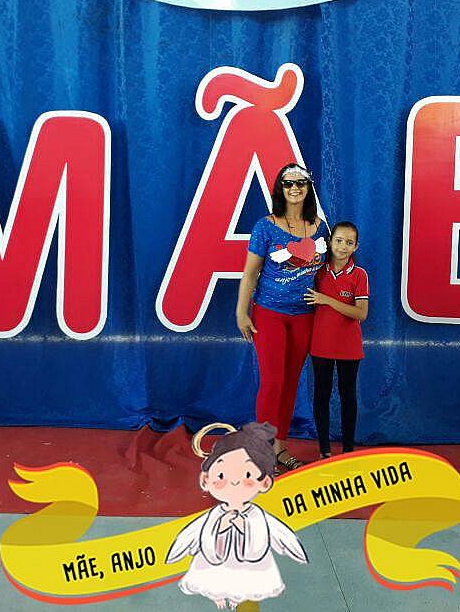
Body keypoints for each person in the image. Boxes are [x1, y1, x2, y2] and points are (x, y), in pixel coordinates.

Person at [235, 163, 329, 471]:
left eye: (300, 183)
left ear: (308, 188)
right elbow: (250, 273)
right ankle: (261, 451)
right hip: (269, 314)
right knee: (272, 382)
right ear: (280, 189)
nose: (295, 188)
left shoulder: (320, 228)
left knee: (290, 384)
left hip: (305, 317)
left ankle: (279, 449)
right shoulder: (265, 226)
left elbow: (327, 274)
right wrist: (241, 312)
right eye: (288, 183)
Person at [165, 422, 308, 610]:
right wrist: (221, 527)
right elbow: (193, 534)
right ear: (206, 480)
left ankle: (241, 598)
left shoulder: (256, 515)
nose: (233, 482)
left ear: (265, 482)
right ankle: (220, 594)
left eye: (247, 474)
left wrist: (245, 526)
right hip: (217, 564)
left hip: (250, 566)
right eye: (221, 475)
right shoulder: (215, 515)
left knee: (248, 593)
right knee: (220, 586)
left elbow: (277, 534)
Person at [303, 221, 368, 458]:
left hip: (349, 347)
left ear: (355, 247)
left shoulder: (359, 274)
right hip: (321, 345)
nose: (342, 246)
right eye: (339, 241)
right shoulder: (317, 270)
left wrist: (327, 300)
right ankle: (324, 451)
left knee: (347, 396)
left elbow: (361, 313)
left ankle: (349, 450)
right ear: (330, 242)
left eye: (349, 243)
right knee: (321, 395)